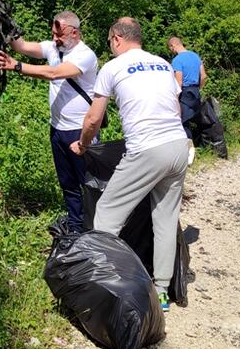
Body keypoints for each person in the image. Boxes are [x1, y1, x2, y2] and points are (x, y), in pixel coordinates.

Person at [69, 17, 189, 312]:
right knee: (163, 219)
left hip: (147, 149)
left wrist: (83, 144)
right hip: (178, 145)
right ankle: (161, 291)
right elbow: (175, 107)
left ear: (117, 39)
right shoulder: (162, 63)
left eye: (110, 42)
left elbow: (94, 119)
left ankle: (107, 287)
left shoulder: (112, 67)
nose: (110, 47)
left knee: (106, 216)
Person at [0, 11, 99, 233]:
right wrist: (5, 20)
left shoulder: (85, 55)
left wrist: (17, 66)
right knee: (68, 183)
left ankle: (97, 229)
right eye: (53, 33)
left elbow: (54, 73)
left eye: (59, 35)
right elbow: (21, 46)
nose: (54, 39)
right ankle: (76, 226)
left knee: (89, 184)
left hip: (81, 131)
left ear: (74, 32)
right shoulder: (53, 48)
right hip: (58, 129)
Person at [168, 37, 207, 140]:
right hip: (196, 91)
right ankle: (200, 142)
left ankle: (189, 148)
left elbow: (178, 82)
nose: (171, 51)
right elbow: (203, 76)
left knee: (184, 122)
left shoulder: (177, 60)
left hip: (184, 93)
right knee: (197, 119)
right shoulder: (195, 56)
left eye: (170, 48)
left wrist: (175, 99)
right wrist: (199, 88)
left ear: (173, 46)